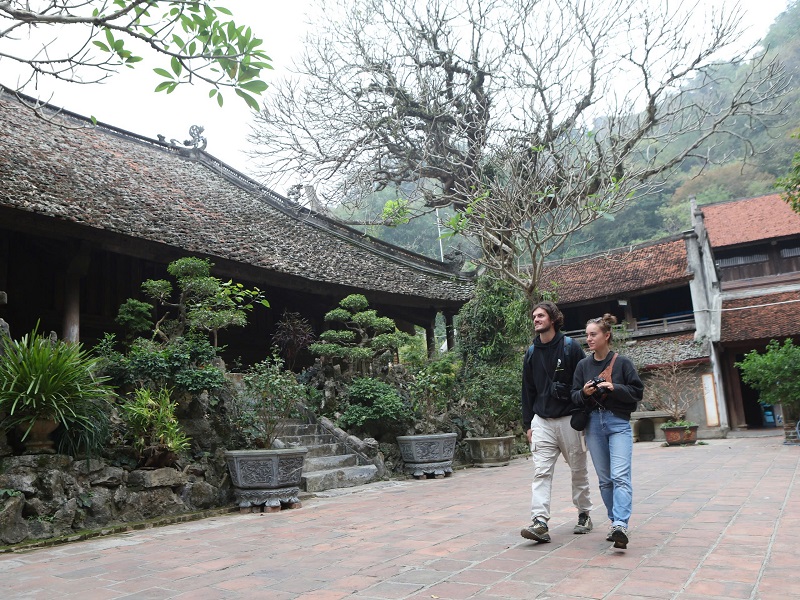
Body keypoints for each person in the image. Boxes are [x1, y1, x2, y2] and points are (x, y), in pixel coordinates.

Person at [520, 301, 593, 543]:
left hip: (569, 419)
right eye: (534, 317)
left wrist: (583, 414)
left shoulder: (570, 347)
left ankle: (584, 513)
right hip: (542, 420)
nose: (536, 320)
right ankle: (540, 521)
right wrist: (528, 424)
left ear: (552, 318)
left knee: (578, 469)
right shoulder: (531, 352)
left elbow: (583, 381)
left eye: (541, 315)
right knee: (541, 472)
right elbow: (527, 390)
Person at [572, 314, 644, 550]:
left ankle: (621, 524)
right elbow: (574, 397)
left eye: (593, 334)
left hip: (618, 423)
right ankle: (615, 523)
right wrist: (585, 392)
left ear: (606, 335)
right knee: (605, 480)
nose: (589, 338)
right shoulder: (583, 365)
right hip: (593, 424)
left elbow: (637, 391)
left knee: (620, 475)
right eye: (587, 334)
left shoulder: (622, 363)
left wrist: (615, 388)